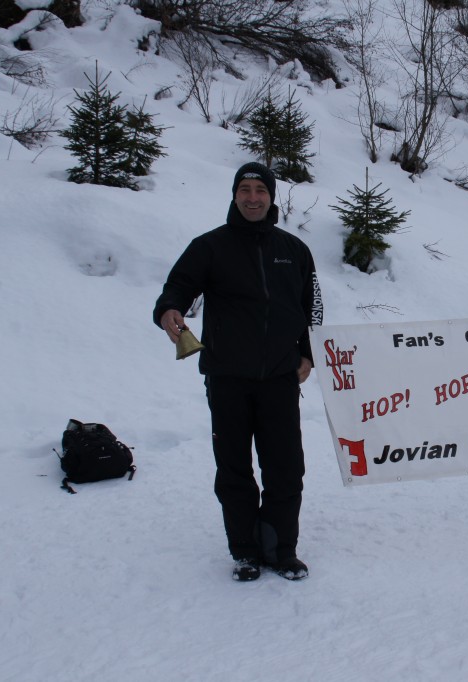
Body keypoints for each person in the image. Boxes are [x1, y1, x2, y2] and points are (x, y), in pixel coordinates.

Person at [154, 161, 323, 581]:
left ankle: (281, 550)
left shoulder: (294, 250)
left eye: (259, 190)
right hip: (228, 378)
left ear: (271, 197)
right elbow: (177, 287)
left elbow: (312, 308)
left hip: (281, 380)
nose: (252, 198)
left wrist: (308, 354)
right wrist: (168, 310)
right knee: (233, 469)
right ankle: (246, 551)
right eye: (244, 190)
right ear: (234, 195)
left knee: (286, 468)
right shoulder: (210, 246)